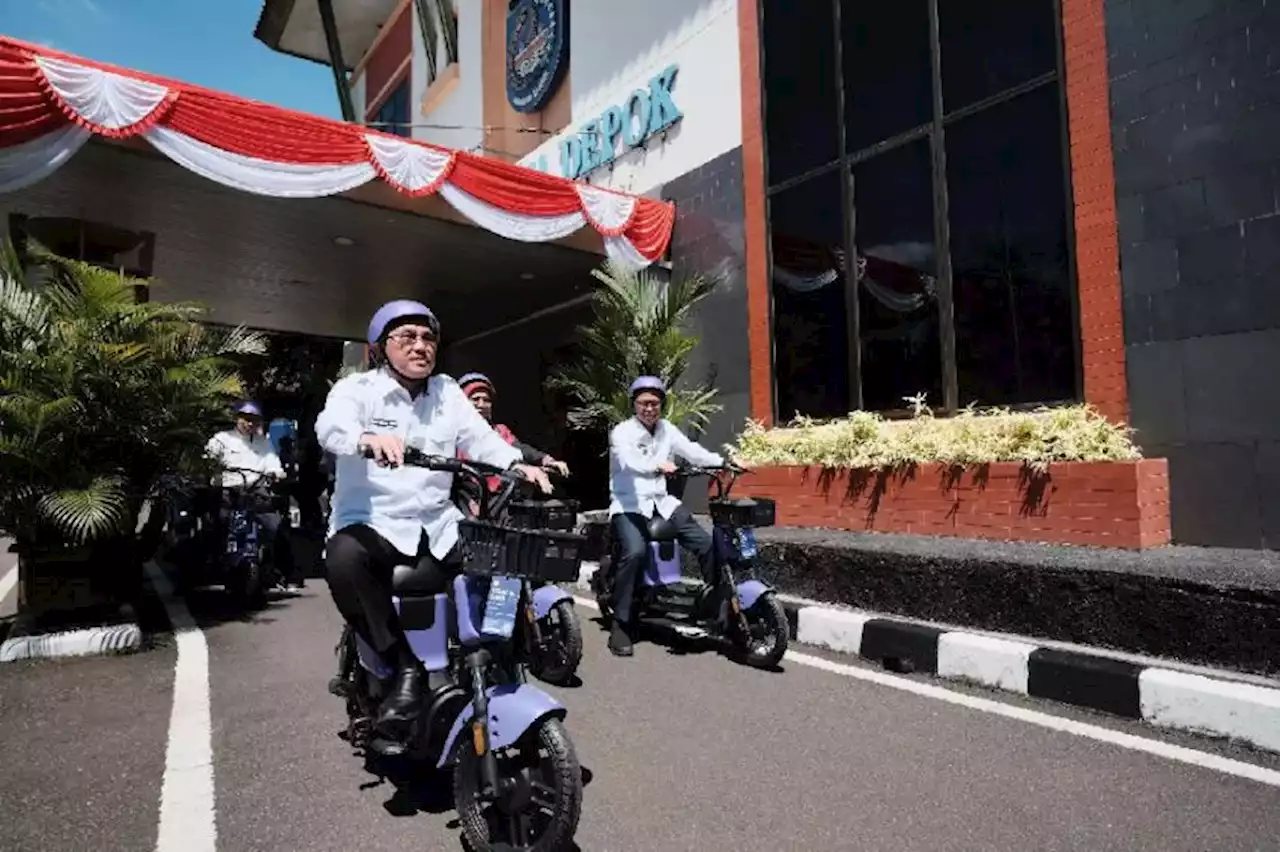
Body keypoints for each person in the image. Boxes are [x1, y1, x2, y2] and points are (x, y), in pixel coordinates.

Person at [316, 300, 553, 744]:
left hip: (439, 524)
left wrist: (518, 466)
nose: (421, 346)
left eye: (428, 338)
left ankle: (491, 658)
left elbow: (482, 440)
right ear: (382, 347)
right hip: (375, 522)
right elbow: (330, 427)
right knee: (343, 560)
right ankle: (401, 664)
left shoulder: (446, 391)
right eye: (407, 337)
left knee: (502, 559)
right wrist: (365, 438)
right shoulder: (358, 390)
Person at [606, 376, 728, 657]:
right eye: (644, 403)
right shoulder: (622, 432)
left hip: (662, 503)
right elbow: (629, 462)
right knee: (635, 553)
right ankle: (621, 624)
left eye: (655, 403)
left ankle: (713, 608)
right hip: (629, 505)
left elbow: (692, 452)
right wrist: (655, 466)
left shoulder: (667, 429)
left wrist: (723, 462)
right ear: (634, 405)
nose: (649, 408)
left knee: (707, 545)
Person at [205, 401, 302, 593]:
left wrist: (277, 472)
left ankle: (285, 574)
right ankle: (210, 566)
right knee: (216, 526)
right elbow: (207, 459)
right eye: (246, 419)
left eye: (254, 420)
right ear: (237, 419)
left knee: (276, 527)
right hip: (228, 491)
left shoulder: (263, 443)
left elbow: (272, 462)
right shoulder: (221, 439)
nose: (250, 424)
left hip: (256, 492)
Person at [455, 371, 570, 514]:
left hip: (500, 499)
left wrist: (545, 460)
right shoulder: (453, 435)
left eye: (486, 400)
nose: (482, 405)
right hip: (468, 501)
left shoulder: (499, 431)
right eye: (475, 399)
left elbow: (519, 449)